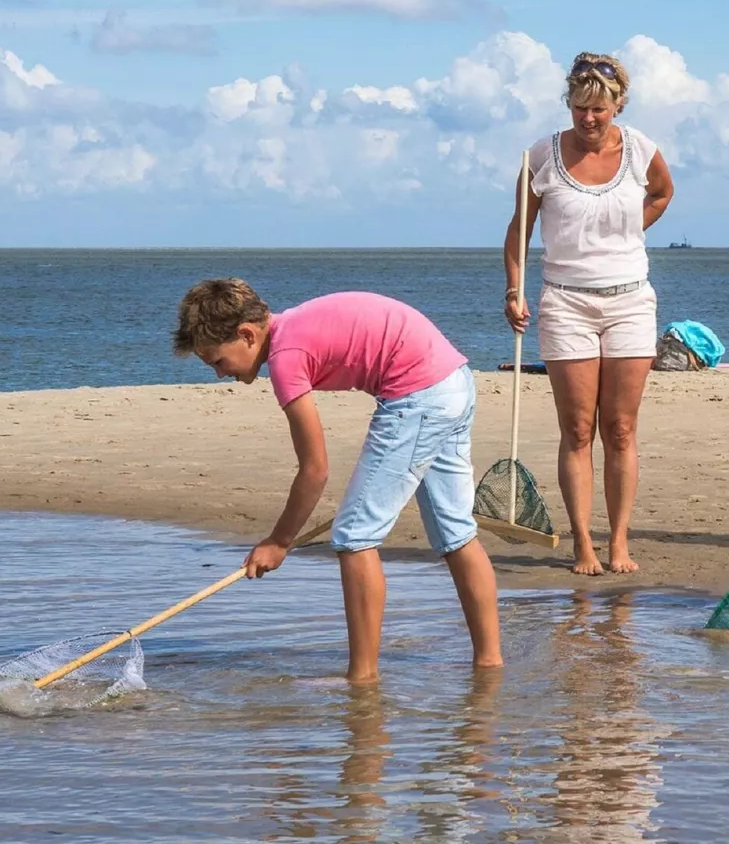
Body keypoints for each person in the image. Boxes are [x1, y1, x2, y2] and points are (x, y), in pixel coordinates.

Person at [173, 279, 502, 683]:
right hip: (453, 381)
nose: (219, 374)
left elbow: (315, 469)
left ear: (247, 334)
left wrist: (278, 542)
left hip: (420, 396)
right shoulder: (291, 330)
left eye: (218, 362)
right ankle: (489, 665)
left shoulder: (285, 358)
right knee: (455, 533)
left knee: (354, 536)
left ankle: (361, 680)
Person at [504, 53, 675, 576]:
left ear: (618, 104)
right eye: (580, 109)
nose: (589, 119)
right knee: (578, 429)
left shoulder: (642, 150)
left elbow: (663, 194)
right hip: (565, 302)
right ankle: (583, 544)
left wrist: (625, 233)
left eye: (599, 109)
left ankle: (618, 541)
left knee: (620, 428)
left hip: (629, 301)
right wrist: (515, 289)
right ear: (570, 105)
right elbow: (518, 232)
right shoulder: (540, 156)